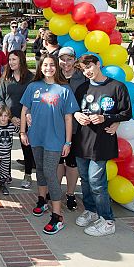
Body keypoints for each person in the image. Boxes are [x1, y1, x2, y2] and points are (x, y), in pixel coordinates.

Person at [73, 54, 132, 237]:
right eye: (83, 69)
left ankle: (107, 220)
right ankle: (91, 210)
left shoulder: (116, 87)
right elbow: (73, 109)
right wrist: (77, 115)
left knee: (97, 181)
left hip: (102, 142)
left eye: (89, 67)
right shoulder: (82, 88)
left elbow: (126, 113)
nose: (87, 72)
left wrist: (106, 118)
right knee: (84, 178)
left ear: (99, 64)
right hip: (82, 141)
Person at [19, 55, 78, 235]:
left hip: (55, 139)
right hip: (36, 137)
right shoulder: (33, 87)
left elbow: (68, 118)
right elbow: (24, 109)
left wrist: (68, 142)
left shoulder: (64, 89)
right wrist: (22, 131)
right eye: (45, 65)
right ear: (40, 67)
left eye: (52, 65)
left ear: (56, 68)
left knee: (51, 173)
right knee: (41, 170)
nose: (49, 68)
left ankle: (57, 215)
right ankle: (42, 200)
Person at [0, 50, 35, 188]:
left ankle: (28, 174)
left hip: (26, 118)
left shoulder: (31, 78)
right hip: (7, 119)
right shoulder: (6, 78)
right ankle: (6, 174)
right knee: (5, 148)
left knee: (27, 147)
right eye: (10, 60)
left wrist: (25, 117)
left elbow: (34, 99)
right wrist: (9, 117)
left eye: (14, 59)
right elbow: (1, 99)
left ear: (21, 60)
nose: (11, 62)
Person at [58, 46, 88, 210]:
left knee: (72, 162)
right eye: (63, 59)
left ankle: (70, 193)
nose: (66, 63)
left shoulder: (83, 78)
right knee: (57, 160)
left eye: (69, 59)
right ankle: (55, 190)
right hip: (56, 126)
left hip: (76, 128)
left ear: (75, 60)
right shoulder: (53, 76)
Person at [0, 105, 17, 197]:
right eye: (1, 116)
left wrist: (18, 122)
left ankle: (2, 184)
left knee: (5, 171)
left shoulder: (11, 127)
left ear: (9, 117)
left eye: (6, 116)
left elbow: (19, 129)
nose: (3, 118)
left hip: (6, 155)